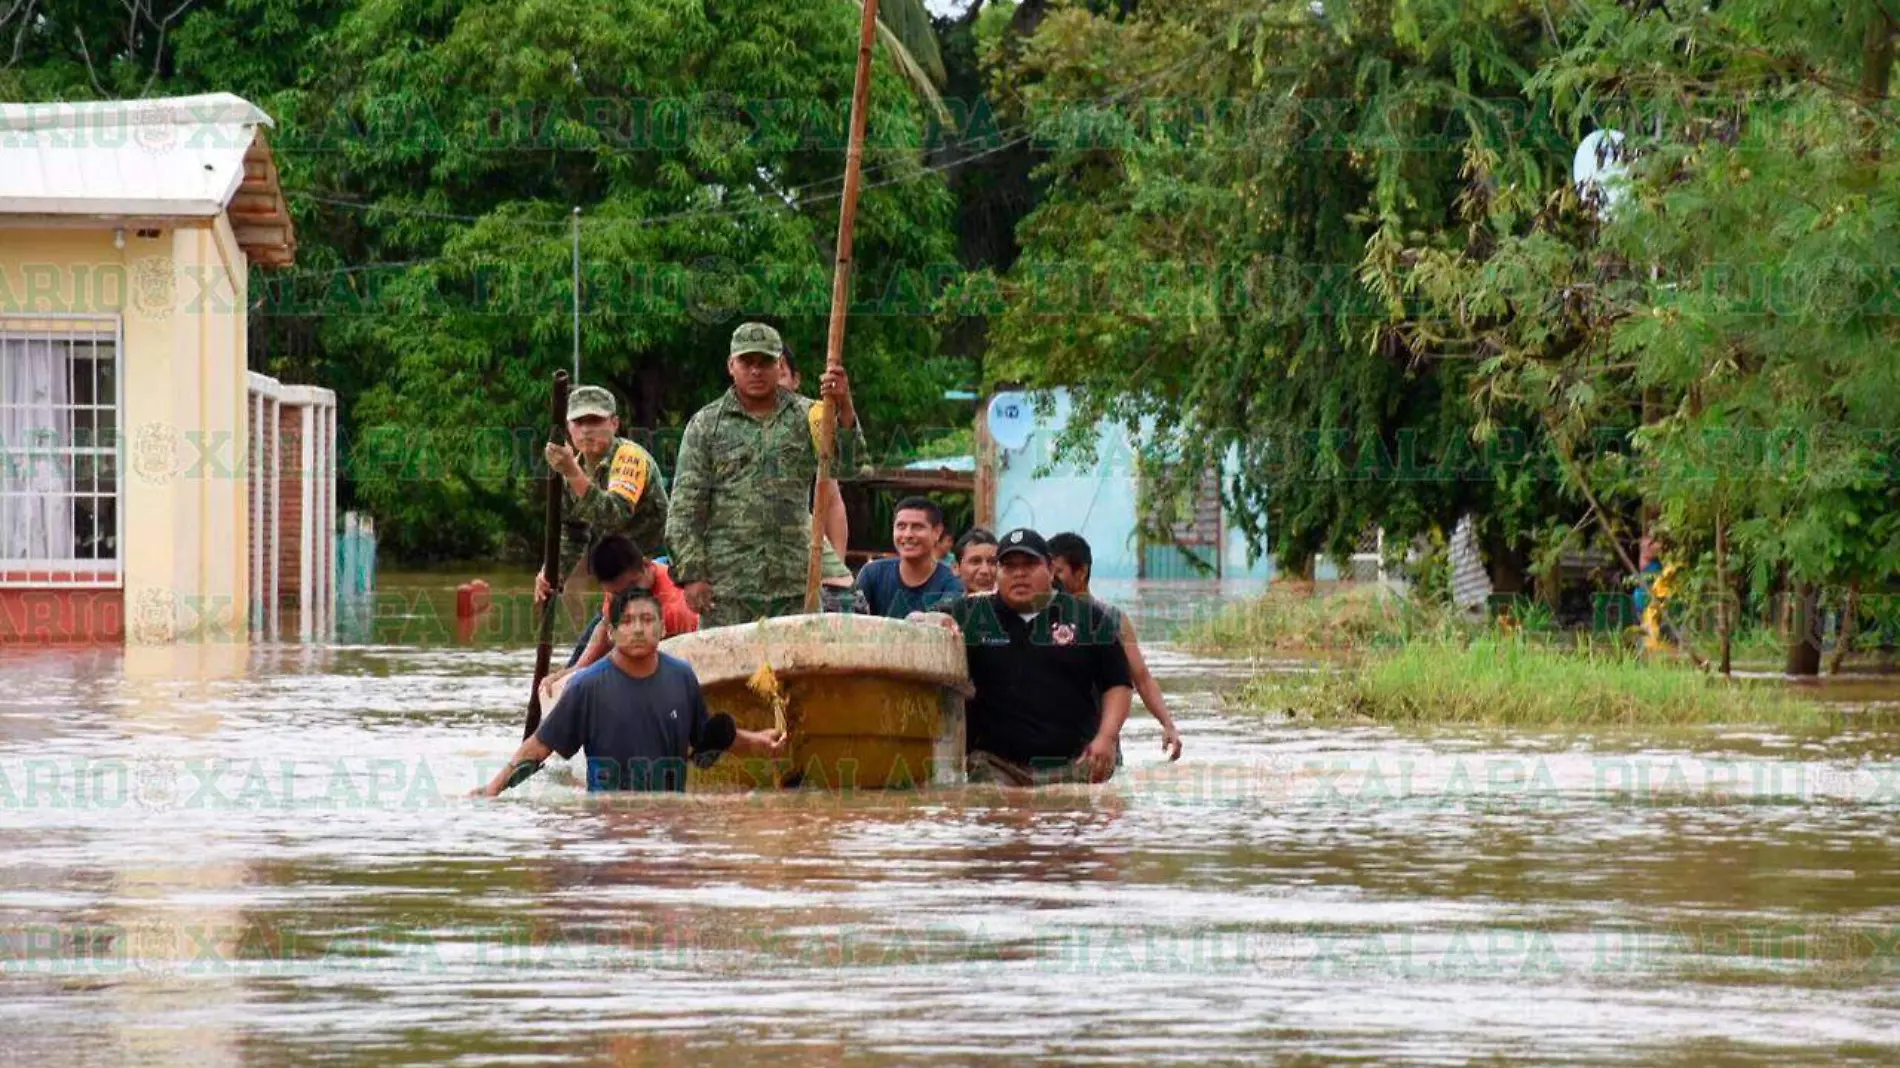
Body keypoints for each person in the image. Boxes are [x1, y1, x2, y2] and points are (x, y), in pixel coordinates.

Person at [476, 587, 783, 795]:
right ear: (610, 632)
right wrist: (492, 789)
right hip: (609, 817)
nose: (637, 629)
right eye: (627, 621)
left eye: (647, 620)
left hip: (667, 814)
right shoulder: (587, 687)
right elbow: (537, 748)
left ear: (663, 629)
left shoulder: (682, 677)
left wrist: (758, 743)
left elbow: (706, 738)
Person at [667, 322, 866, 627]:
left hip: (796, 585)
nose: (756, 371)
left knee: (797, 670)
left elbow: (847, 468)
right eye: (747, 362)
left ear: (779, 365)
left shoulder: (810, 415)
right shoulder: (706, 424)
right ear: (731, 366)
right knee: (731, 671)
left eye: (765, 362)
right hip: (727, 587)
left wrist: (844, 406)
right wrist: (691, 575)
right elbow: (685, 507)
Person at [910, 528, 1132, 786]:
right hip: (995, 765)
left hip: (1075, 762)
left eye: (1029, 564)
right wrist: (936, 620)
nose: (1019, 574)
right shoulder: (971, 614)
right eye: (1009, 566)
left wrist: (1106, 737)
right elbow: (915, 622)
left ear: (1050, 570)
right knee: (999, 817)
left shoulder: (1089, 618)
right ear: (998, 573)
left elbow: (1118, 684)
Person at [1047, 532, 1184, 762]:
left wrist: (1168, 724)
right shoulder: (1040, 618)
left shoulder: (1113, 620)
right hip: (1050, 745)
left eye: (1058, 572)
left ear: (1081, 572)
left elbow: (1141, 678)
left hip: (1101, 743)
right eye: (1048, 571)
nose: (1051, 579)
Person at [534, 385, 669, 610]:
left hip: (661, 569)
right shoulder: (573, 468)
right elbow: (573, 532)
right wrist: (551, 573)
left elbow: (614, 514)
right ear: (568, 428)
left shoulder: (629, 458)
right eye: (579, 423)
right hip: (622, 577)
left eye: (595, 421)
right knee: (588, 645)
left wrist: (570, 472)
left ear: (614, 424)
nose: (586, 430)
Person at [558, 534, 698, 675]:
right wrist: (578, 668)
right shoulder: (617, 592)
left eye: (632, 586)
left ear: (646, 566)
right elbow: (605, 626)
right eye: (619, 593)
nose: (628, 597)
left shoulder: (677, 608)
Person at [855, 496, 965, 618]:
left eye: (917, 527)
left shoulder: (950, 585)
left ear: (937, 532)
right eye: (901, 526)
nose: (907, 534)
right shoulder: (872, 574)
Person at [953, 527, 999, 595]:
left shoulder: (1013, 604)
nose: (985, 570)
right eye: (975, 562)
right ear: (956, 568)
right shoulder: (947, 605)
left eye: (992, 562)